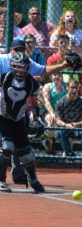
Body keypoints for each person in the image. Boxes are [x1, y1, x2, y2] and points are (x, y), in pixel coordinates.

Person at [0, 52, 45, 193]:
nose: (20, 70)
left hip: (18, 119)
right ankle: (1, 181)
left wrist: (37, 118)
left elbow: (35, 103)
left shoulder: (31, 83)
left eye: (23, 67)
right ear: (12, 67)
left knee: (27, 156)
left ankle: (33, 179)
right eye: (17, 67)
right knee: (7, 147)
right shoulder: (4, 78)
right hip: (2, 118)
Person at [55, 78, 82, 157]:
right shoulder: (60, 102)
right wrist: (66, 125)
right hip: (66, 127)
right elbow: (58, 120)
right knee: (59, 132)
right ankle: (70, 155)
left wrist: (76, 124)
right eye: (72, 88)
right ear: (67, 87)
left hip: (77, 128)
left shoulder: (81, 102)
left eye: (76, 88)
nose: (74, 90)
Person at [42, 72, 67, 154]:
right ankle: (50, 147)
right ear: (51, 76)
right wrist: (53, 114)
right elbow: (46, 101)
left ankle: (65, 151)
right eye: (55, 75)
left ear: (62, 76)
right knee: (51, 120)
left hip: (63, 114)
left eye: (59, 75)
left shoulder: (66, 87)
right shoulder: (48, 86)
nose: (57, 77)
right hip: (49, 112)